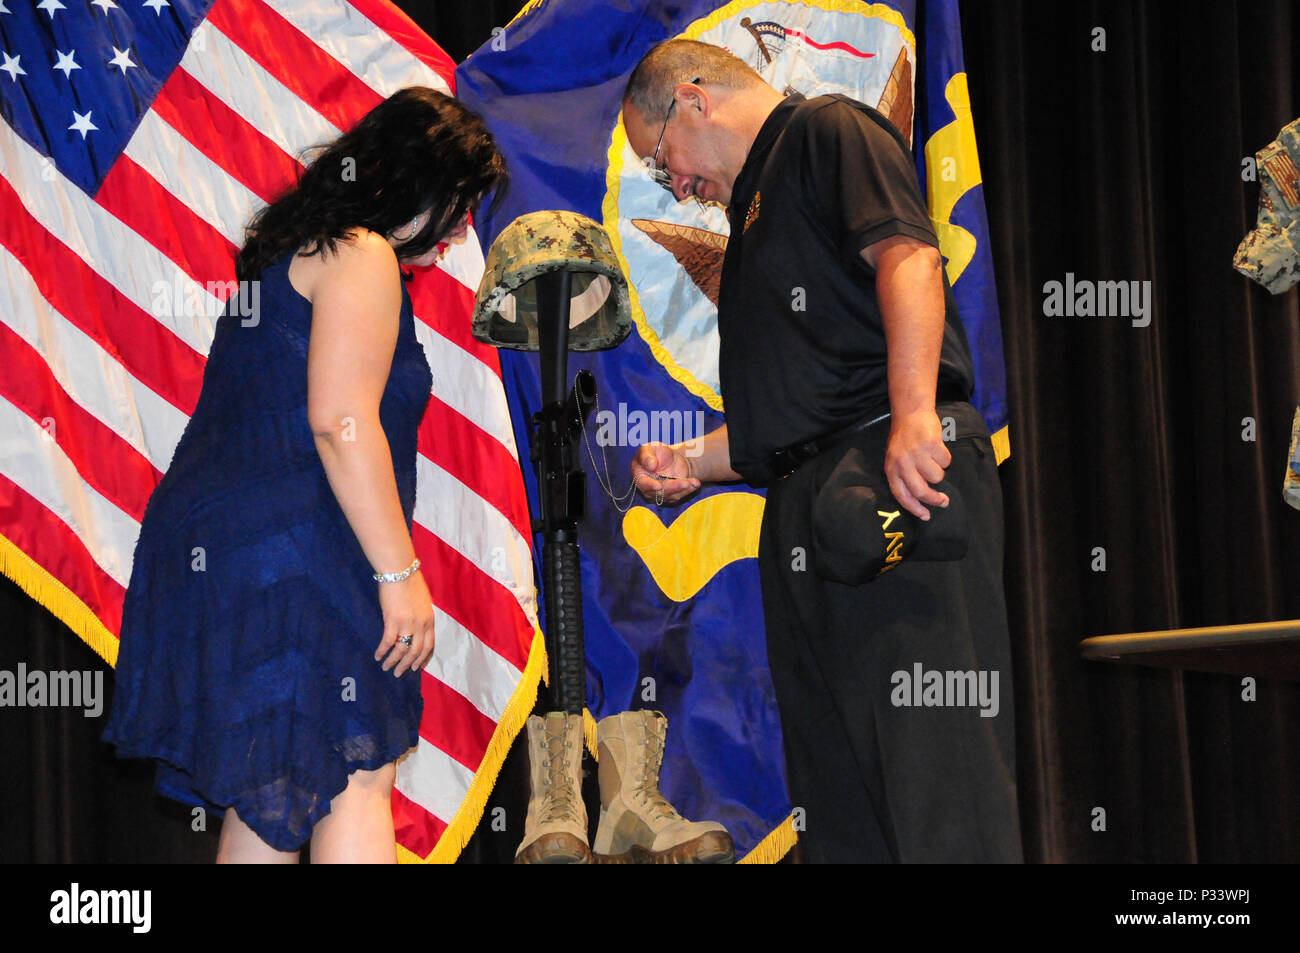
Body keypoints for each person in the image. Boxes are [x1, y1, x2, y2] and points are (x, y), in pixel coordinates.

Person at [622, 40, 1021, 862]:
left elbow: (908, 256)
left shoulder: (826, 131)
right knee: (839, 805)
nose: (678, 187)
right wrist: (692, 463)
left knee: (937, 784)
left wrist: (915, 414)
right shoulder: (752, 222)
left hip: (895, 474)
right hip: (813, 509)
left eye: (663, 162)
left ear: (692, 100)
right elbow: (794, 410)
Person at [102, 87, 508, 863]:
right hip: (296, 556)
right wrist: (400, 573)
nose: (462, 229)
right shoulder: (363, 252)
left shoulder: (299, 254)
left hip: (231, 559)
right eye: (457, 204)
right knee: (355, 779)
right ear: (409, 182)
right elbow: (340, 420)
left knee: (276, 791)